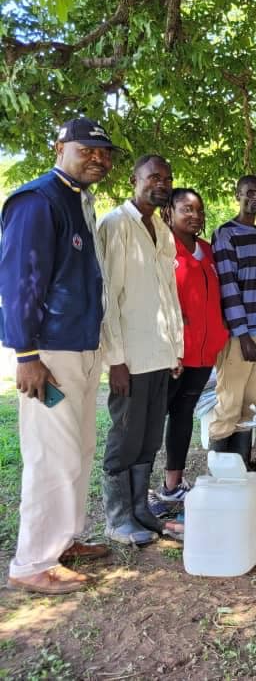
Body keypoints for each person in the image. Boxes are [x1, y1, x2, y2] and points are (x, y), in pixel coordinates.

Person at [0, 117, 113, 594]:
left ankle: (63, 540)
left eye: (104, 152)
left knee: (79, 451)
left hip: (82, 346)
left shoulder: (78, 200)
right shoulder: (37, 200)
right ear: (59, 147)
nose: (98, 158)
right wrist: (26, 354)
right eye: (87, 149)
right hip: (49, 352)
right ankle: (32, 563)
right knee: (52, 457)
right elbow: (18, 283)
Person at [97, 154, 185, 544]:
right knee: (126, 436)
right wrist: (115, 359)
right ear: (135, 180)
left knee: (149, 436)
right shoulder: (116, 224)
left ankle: (140, 510)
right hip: (129, 357)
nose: (161, 183)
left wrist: (175, 348)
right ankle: (118, 519)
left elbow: (168, 295)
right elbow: (107, 298)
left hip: (159, 353)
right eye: (153, 177)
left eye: (167, 178)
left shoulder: (162, 229)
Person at [157, 188, 228, 503]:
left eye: (199, 210)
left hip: (204, 352)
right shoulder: (161, 247)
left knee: (184, 414)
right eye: (186, 209)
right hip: (172, 353)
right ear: (169, 211)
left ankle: (173, 485)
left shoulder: (207, 250)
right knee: (155, 417)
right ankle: (136, 494)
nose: (195, 216)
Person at [209, 175, 256, 461]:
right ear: (238, 195)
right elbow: (228, 287)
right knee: (229, 405)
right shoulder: (226, 234)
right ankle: (219, 474)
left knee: (251, 404)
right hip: (240, 335)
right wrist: (243, 335)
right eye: (250, 192)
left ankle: (241, 469)